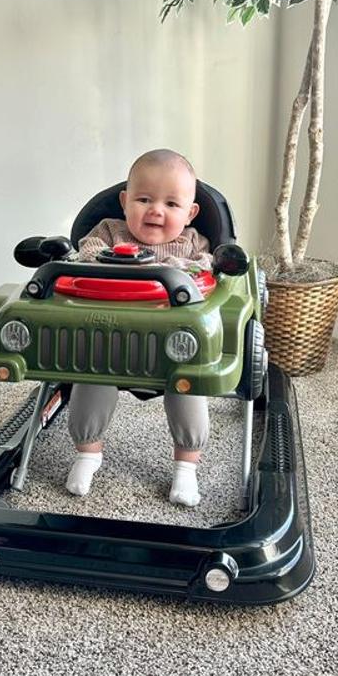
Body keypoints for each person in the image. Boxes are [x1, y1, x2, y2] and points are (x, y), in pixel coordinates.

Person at [65, 148, 211, 507]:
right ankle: (87, 453)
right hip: (110, 336)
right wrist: (115, 259)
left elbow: (206, 267)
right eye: (144, 199)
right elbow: (86, 252)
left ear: (190, 213)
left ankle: (185, 468)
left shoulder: (192, 243)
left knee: (189, 383)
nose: (156, 210)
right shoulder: (110, 233)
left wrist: (175, 267)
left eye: (171, 205)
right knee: (90, 375)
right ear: (125, 201)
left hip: (174, 342)